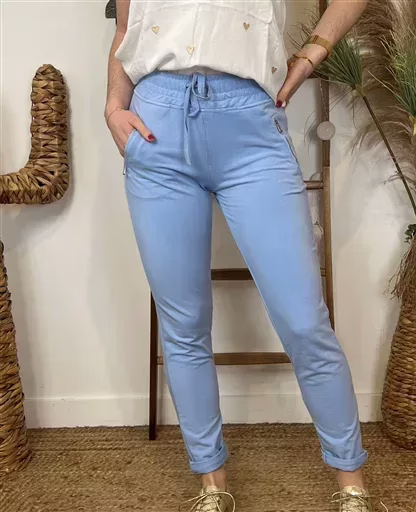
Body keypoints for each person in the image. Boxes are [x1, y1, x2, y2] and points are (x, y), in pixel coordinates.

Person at [106, 1, 371, 510]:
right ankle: (213, 487)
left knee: (303, 321)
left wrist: (312, 53)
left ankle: (353, 486)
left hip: (250, 124)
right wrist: (114, 106)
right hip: (157, 123)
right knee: (184, 325)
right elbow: (125, 26)